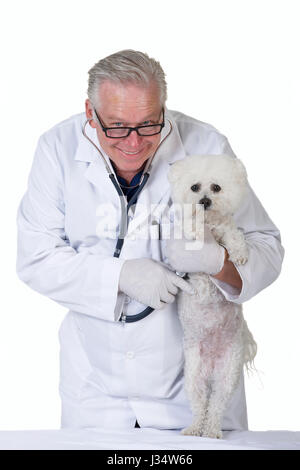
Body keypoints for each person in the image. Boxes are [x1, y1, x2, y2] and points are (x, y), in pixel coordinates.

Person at [16, 49, 284, 431]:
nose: (134, 141)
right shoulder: (56, 149)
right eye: (116, 126)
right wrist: (120, 276)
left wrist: (217, 262)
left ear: (164, 109)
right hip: (96, 390)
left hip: (192, 390)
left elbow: (266, 245)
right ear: (90, 114)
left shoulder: (205, 144)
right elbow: (36, 257)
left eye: (148, 124)